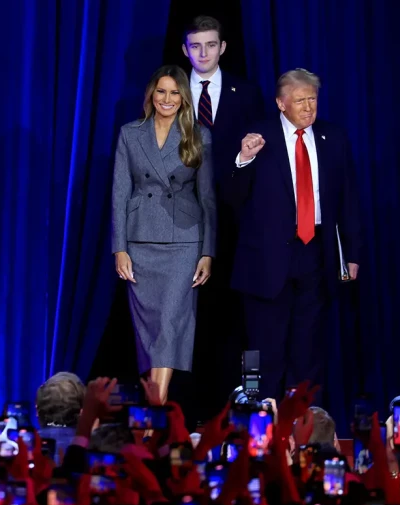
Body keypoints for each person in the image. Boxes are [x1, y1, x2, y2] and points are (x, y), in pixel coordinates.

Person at [223, 68, 361, 400]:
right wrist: (243, 159)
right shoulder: (257, 136)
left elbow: (348, 200)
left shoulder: (334, 138)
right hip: (266, 261)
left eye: (313, 99)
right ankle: (257, 414)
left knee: (308, 348)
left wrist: (352, 254)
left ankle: (305, 422)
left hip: (316, 254)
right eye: (300, 100)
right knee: (261, 349)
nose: (308, 107)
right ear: (281, 103)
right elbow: (231, 197)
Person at [111, 64, 216, 405]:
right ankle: (156, 408)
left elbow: (208, 199)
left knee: (171, 322)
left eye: (174, 93)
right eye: (161, 92)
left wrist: (207, 252)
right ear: (151, 95)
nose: (166, 99)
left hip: (183, 243)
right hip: (140, 242)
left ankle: (157, 404)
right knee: (151, 330)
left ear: (183, 98)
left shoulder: (199, 135)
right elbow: (119, 194)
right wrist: (120, 248)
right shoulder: (130, 133)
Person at [181, 15, 265, 415]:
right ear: (185, 50)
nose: (203, 53)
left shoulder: (246, 93)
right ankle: (188, 406)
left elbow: (258, 156)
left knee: (229, 317)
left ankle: (228, 408)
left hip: (233, 220)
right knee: (184, 317)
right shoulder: (171, 91)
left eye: (210, 45)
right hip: (180, 221)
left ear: (223, 47)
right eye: (195, 46)